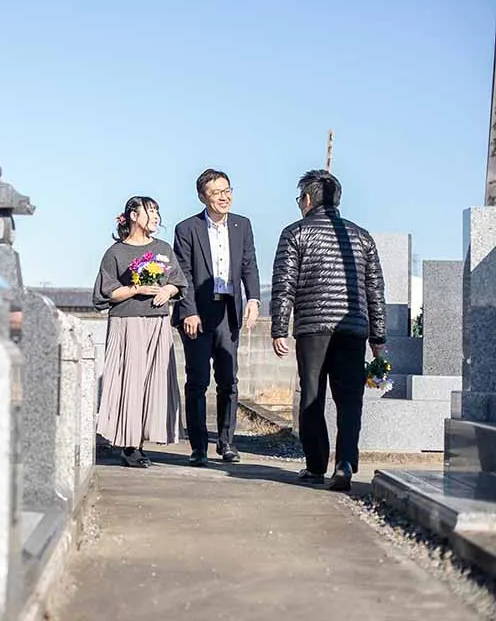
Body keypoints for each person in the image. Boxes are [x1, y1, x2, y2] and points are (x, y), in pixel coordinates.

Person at [271, 169, 386, 492]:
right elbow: (375, 289)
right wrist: (378, 337)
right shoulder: (362, 236)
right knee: (350, 399)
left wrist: (279, 328)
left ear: (307, 199)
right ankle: (345, 463)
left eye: (299, 199)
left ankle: (315, 465)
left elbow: (284, 286)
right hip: (352, 330)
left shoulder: (295, 233)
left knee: (312, 395)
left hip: (311, 330)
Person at [172, 169, 260, 466]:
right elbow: (182, 272)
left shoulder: (242, 225)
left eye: (227, 190)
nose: (224, 197)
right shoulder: (187, 229)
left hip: (229, 312)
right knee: (197, 381)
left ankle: (227, 442)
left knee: (228, 380)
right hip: (198, 313)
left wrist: (254, 300)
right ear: (202, 197)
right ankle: (198, 447)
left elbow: (249, 265)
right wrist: (189, 311)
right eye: (216, 193)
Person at [93, 195, 188, 468]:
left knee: (153, 383)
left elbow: (178, 283)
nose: (155, 217)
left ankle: (143, 441)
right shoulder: (116, 253)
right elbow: (106, 293)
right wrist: (137, 289)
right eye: (150, 211)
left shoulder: (164, 248)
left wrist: (168, 290)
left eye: (157, 211)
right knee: (130, 383)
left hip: (157, 323)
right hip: (127, 323)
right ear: (133, 216)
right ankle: (129, 446)